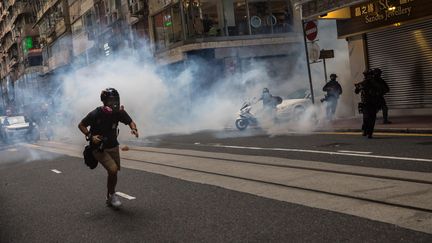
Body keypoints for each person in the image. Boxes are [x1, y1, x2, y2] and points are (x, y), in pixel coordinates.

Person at [78, 88, 139, 208]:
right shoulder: (96, 113)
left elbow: (131, 122)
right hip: (98, 148)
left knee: (113, 173)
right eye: (111, 100)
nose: (114, 103)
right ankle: (112, 195)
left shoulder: (119, 112)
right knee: (112, 169)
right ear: (104, 102)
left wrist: (134, 129)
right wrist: (90, 136)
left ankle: (109, 197)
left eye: (116, 100)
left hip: (113, 146)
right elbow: (81, 125)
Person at [355, 70, 382, 138]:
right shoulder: (363, 83)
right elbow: (356, 91)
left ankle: (369, 133)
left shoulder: (376, 83)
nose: (370, 76)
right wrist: (359, 87)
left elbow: (383, 89)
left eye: (370, 75)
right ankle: (365, 131)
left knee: (372, 119)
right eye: (368, 75)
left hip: (373, 103)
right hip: (366, 104)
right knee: (366, 118)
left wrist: (376, 92)